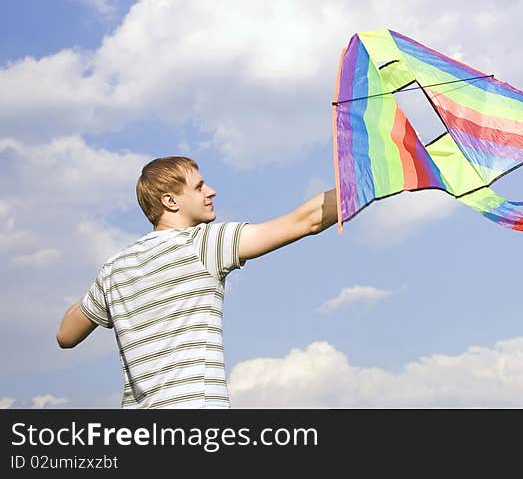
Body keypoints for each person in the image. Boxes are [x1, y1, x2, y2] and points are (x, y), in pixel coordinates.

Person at [55, 156, 337, 408]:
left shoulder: (114, 269)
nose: (211, 191)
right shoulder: (201, 244)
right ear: (170, 201)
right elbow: (305, 222)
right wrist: (368, 180)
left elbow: (65, 336)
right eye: (199, 187)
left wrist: (108, 286)